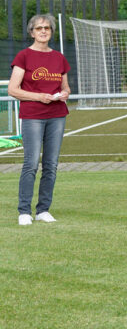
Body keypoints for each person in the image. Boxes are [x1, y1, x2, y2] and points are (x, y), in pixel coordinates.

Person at [9, 14, 71, 226]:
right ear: (32, 32)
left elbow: (65, 87)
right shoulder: (23, 56)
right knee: (31, 163)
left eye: (47, 28)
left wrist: (64, 94)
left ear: (51, 32)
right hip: (33, 115)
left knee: (51, 164)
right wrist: (39, 97)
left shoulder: (59, 58)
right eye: (39, 28)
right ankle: (24, 210)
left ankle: (43, 209)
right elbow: (13, 90)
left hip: (57, 115)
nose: (43, 31)